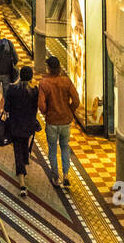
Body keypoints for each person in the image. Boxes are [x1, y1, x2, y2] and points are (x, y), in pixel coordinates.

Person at [38, 54, 80, 188]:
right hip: (65, 121)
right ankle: (66, 175)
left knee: (52, 149)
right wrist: (70, 110)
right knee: (65, 147)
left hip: (52, 122)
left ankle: (55, 176)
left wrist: (46, 113)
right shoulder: (66, 82)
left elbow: (41, 105)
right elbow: (76, 100)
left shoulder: (44, 83)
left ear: (49, 68)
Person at [6, 66, 41, 196]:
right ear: (31, 77)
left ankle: (22, 182)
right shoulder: (34, 91)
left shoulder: (12, 89)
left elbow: (7, 108)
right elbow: (36, 108)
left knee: (17, 150)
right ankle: (24, 164)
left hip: (15, 124)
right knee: (24, 144)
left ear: (19, 76)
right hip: (29, 125)